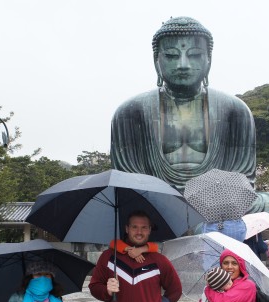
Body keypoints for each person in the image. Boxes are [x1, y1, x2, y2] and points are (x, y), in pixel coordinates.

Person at [110, 16, 256, 192]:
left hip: (215, 201)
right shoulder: (131, 111)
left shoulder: (235, 110)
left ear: (209, 60)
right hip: (157, 201)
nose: (183, 65)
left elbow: (244, 179)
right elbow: (127, 181)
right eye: (171, 55)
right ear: (156, 60)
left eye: (194, 55)